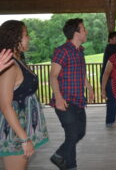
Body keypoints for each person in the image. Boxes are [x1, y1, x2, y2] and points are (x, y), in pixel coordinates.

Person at [0, 20, 49, 170]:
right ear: (15, 38)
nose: (29, 38)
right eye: (26, 34)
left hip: (21, 128)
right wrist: (24, 138)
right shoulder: (10, 66)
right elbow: (5, 105)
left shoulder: (17, 61)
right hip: (14, 133)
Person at [50, 18, 95, 170]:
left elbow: (81, 74)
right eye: (83, 29)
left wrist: (89, 88)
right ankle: (69, 164)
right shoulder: (62, 51)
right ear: (76, 33)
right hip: (65, 101)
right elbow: (53, 76)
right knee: (73, 134)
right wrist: (59, 98)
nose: (86, 31)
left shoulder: (80, 51)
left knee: (79, 133)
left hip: (78, 101)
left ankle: (61, 158)